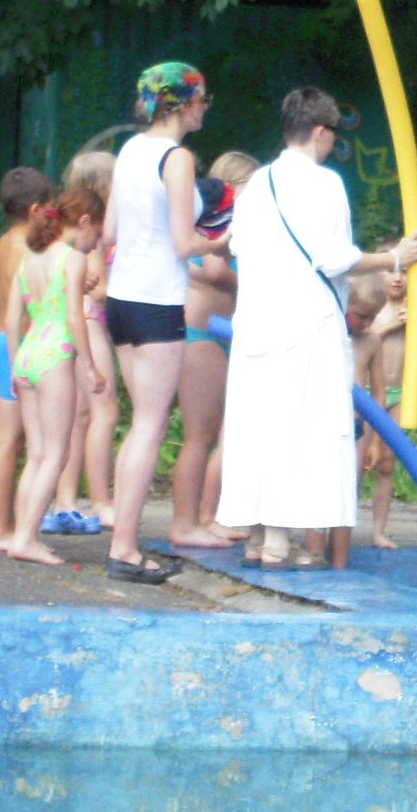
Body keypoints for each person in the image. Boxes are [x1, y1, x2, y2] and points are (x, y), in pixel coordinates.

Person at [215, 85, 417, 570]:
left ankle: (257, 538)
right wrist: (395, 257)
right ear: (319, 131)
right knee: (299, 428)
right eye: (332, 132)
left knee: (259, 426)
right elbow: (334, 258)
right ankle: (277, 542)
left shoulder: (257, 184)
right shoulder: (324, 183)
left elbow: (238, 247)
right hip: (305, 324)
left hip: (256, 323)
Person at [104, 61, 230, 584]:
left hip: (121, 300)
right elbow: (183, 243)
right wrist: (226, 238)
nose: (206, 108)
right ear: (183, 104)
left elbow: (110, 230)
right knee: (149, 427)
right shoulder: (177, 158)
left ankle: (123, 540)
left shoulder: (131, 150)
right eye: (202, 99)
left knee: (140, 424)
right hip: (157, 301)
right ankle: (124, 549)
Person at [4, 189, 106, 565]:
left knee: (36, 455)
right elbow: (75, 317)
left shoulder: (29, 256)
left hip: (28, 353)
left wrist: (14, 365)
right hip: (54, 356)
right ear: (85, 223)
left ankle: (22, 533)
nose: (96, 241)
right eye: (97, 233)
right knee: (56, 454)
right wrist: (90, 365)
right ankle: (25, 539)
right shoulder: (72, 258)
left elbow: (12, 319)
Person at [172, 152, 258, 548]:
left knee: (217, 433)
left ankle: (208, 515)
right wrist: (261, 285)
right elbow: (214, 271)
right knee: (200, 435)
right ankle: (194, 520)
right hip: (201, 333)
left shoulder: (220, 224)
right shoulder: (216, 220)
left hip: (216, 334)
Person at [0, 167, 54, 552]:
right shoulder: (26, 246)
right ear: (35, 209)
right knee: (12, 440)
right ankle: (2, 528)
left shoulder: (2, 243)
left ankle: (6, 525)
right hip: (15, 344)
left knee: (10, 440)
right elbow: (32, 302)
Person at [48, 151, 118, 533]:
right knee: (105, 410)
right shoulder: (95, 236)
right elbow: (98, 289)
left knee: (78, 416)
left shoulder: (74, 234)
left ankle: (66, 500)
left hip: (77, 323)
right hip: (90, 322)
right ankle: (101, 502)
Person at [358, 238, 413, 549]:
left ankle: (379, 531)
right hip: (369, 392)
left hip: (398, 393)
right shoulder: (372, 308)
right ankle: (340, 523)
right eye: (390, 270)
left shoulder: (412, 310)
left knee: (387, 463)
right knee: (359, 459)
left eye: (404, 272)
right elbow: (362, 342)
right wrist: (389, 325)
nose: (397, 278)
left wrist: (413, 328)